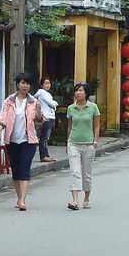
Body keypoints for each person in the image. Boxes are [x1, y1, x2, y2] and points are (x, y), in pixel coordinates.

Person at [0, 71, 43, 211]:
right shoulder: (8, 101)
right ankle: (19, 197)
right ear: (17, 84)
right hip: (12, 140)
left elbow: (39, 121)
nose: (25, 86)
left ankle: (22, 200)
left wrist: (39, 112)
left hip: (28, 141)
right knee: (15, 171)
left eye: (27, 83)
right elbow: (2, 118)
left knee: (24, 169)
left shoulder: (34, 102)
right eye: (22, 83)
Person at [63, 82, 100, 210]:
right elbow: (69, 126)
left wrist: (95, 140)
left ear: (86, 93)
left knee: (86, 173)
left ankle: (86, 199)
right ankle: (75, 200)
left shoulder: (93, 107)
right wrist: (67, 141)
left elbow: (96, 125)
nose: (78, 93)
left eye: (80, 91)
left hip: (88, 144)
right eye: (76, 91)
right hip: (73, 143)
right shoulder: (71, 108)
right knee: (75, 172)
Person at [33, 77, 59, 163]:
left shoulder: (46, 94)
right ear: (41, 85)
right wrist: (54, 104)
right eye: (46, 83)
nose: (48, 85)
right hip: (46, 117)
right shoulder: (43, 93)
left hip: (49, 116)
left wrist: (53, 105)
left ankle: (46, 155)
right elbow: (53, 103)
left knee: (46, 137)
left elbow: (53, 106)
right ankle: (43, 155)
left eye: (49, 83)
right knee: (44, 137)